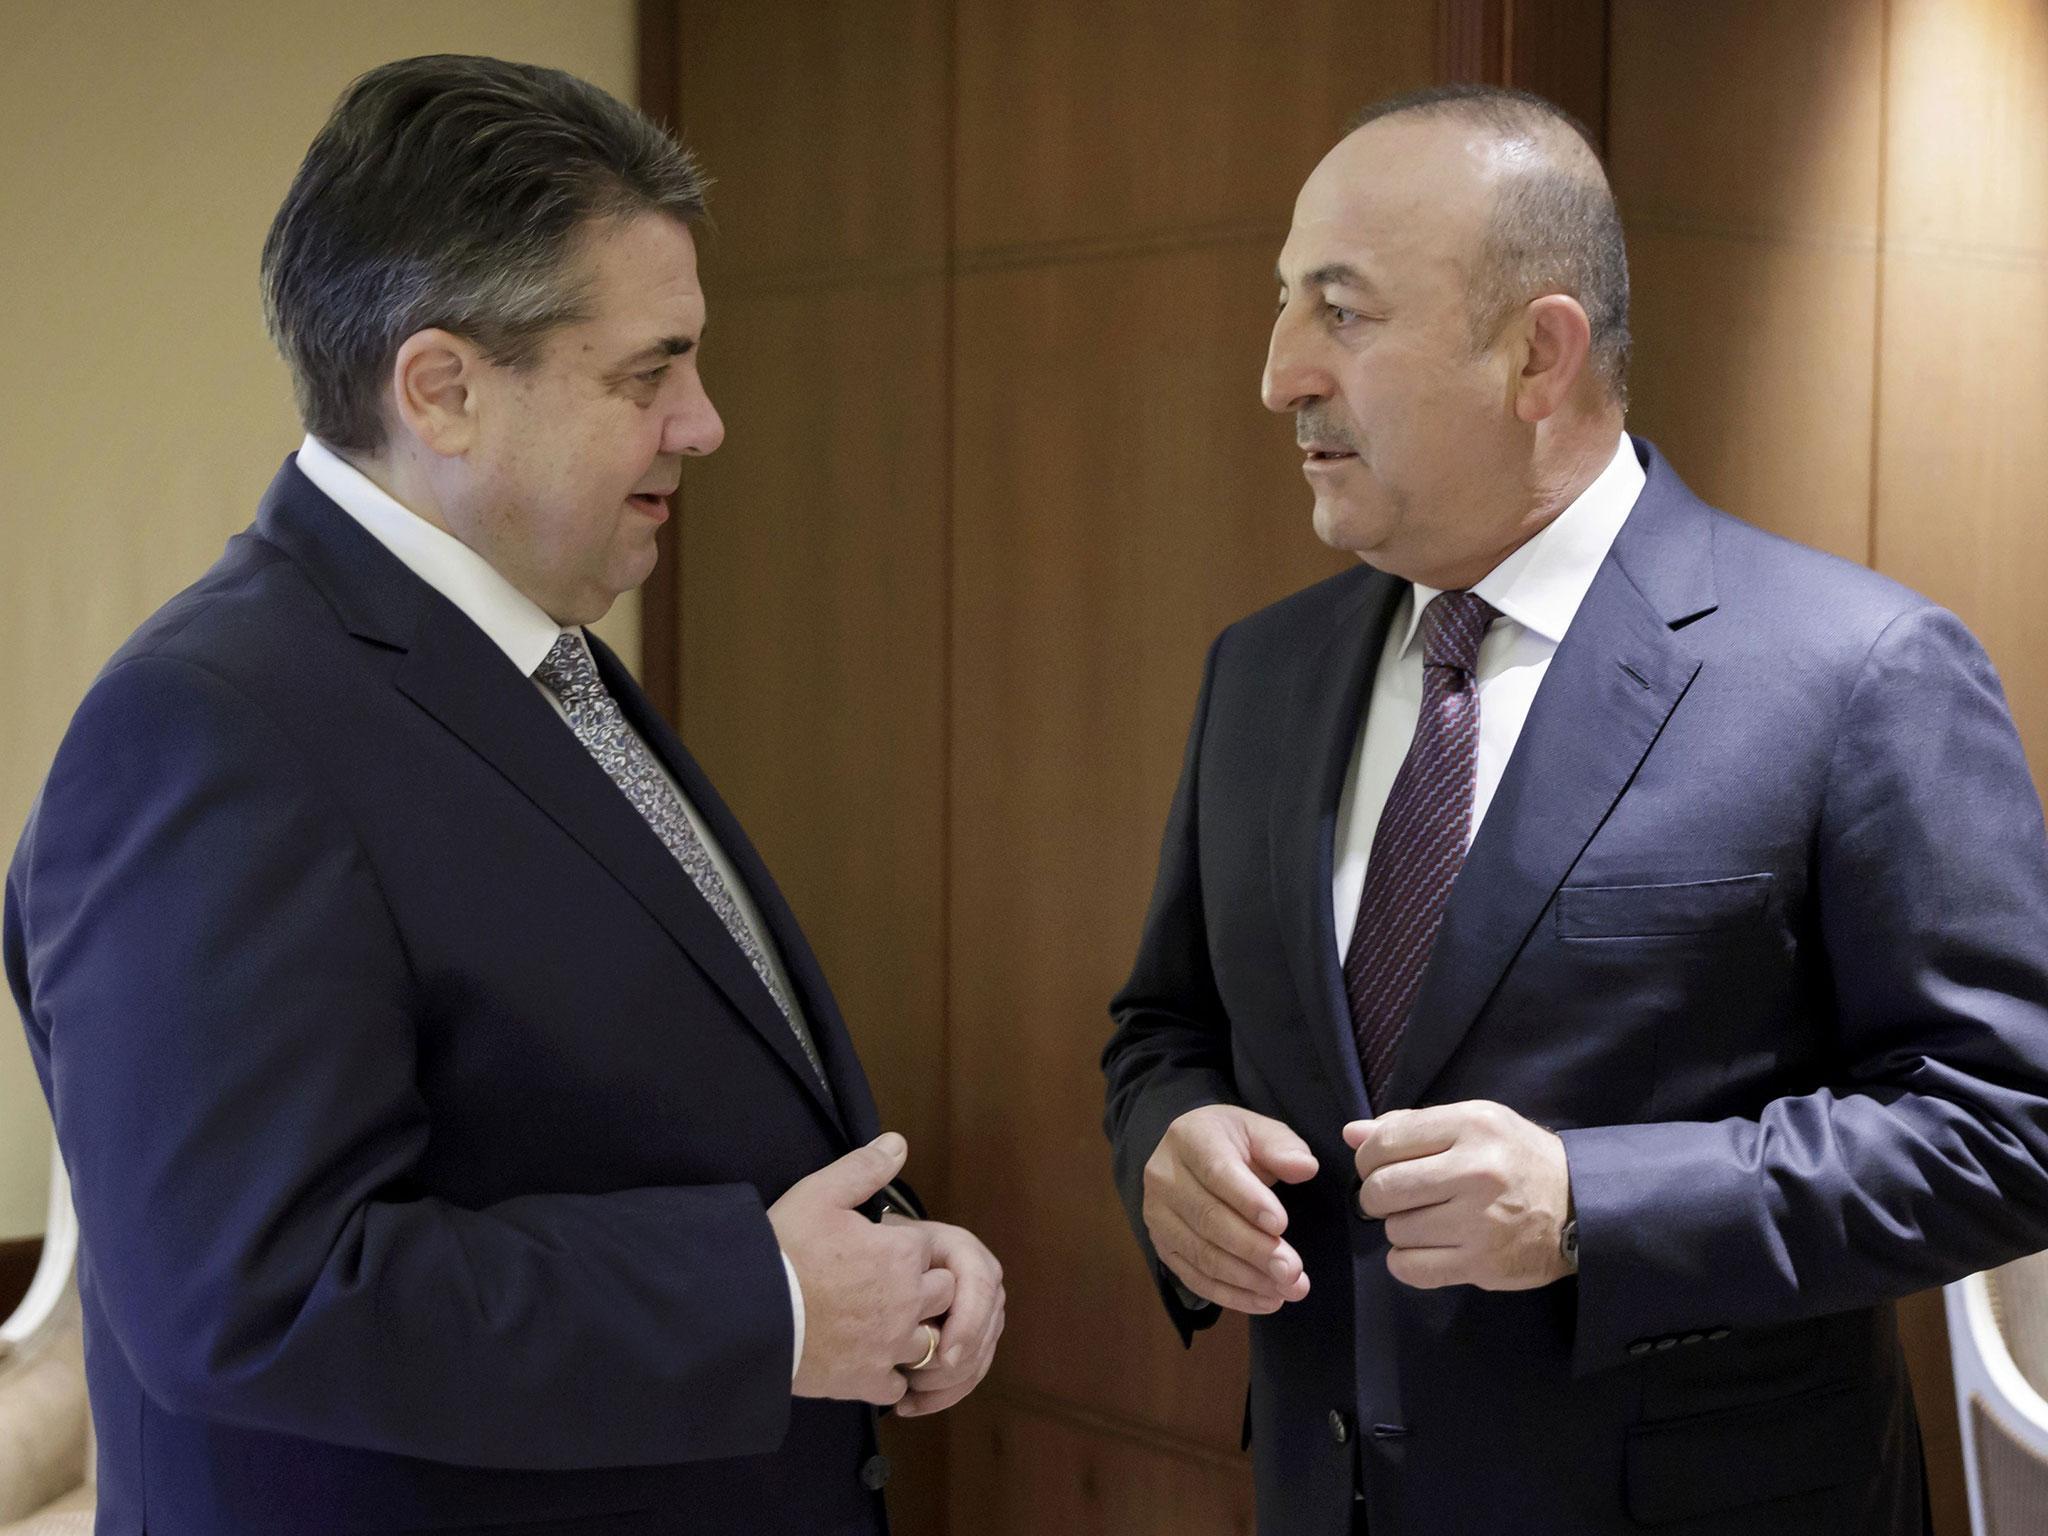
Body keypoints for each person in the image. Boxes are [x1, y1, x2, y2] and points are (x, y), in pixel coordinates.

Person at [4, 54, 1001, 1536]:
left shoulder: (538, 667)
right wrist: (770, 1307)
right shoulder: (208, 726)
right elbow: (252, 1296)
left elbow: (616, 1115)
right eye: (648, 373)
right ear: (443, 390)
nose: (705, 422)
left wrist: (893, 1267)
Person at [1102, 84, 2048, 1536]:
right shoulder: (1263, 674)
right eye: (1286, 303)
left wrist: (1590, 1206)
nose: (1281, 372)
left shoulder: (1858, 672)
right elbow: (1166, 1030)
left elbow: (2008, 1133)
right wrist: (1172, 1146)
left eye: (1342, 313)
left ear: (1537, 355)